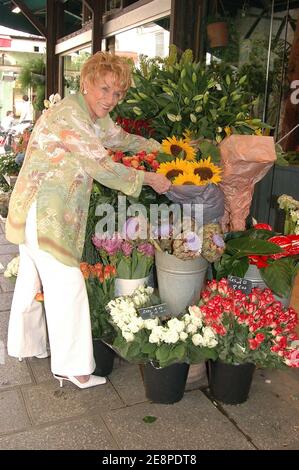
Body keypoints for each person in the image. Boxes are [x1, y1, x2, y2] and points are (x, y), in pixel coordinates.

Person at [5, 52, 171, 389]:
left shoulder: (88, 114)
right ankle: (73, 367)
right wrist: (149, 179)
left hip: (36, 207)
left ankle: (26, 344)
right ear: (86, 83)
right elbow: (101, 166)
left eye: (118, 93)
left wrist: (159, 148)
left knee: (31, 277)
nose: (110, 99)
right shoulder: (70, 115)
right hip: (46, 212)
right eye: (104, 89)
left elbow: (119, 139)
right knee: (69, 285)